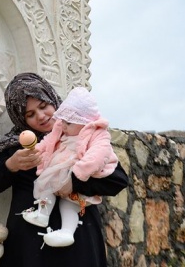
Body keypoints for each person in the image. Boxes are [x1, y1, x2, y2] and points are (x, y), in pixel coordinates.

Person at [0, 72, 129, 267]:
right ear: (20, 118)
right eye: (30, 114)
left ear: (53, 100)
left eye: (43, 106)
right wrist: (11, 165)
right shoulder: (17, 146)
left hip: (78, 243)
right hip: (30, 247)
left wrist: (71, 183)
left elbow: (117, 180)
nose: (41, 116)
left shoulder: (84, 134)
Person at [21, 87, 119, 248]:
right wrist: (36, 150)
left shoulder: (97, 135)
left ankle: (67, 232)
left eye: (44, 106)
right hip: (58, 172)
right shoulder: (62, 129)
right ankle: (42, 214)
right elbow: (47, 142)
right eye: (30, 114)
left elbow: (98, 156)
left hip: (80, 173)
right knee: (46, 185)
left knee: (68, 205)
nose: (63, 125)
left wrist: (77, 176)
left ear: (84, 122)